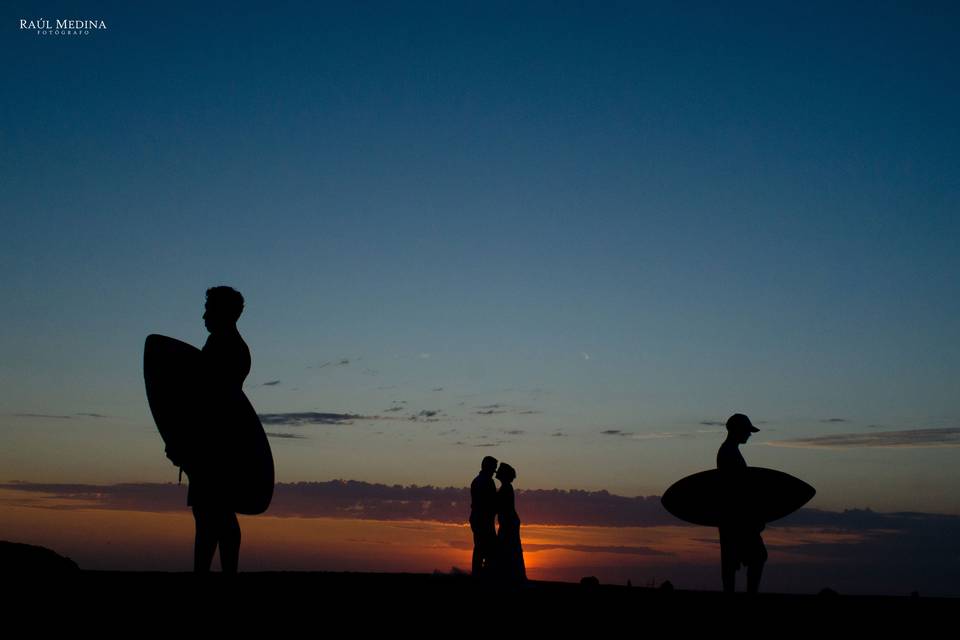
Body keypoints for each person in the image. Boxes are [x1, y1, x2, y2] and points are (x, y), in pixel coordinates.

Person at [186, 286, 250, 573]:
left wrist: (188, 441)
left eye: (209, 309)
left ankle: (219, 576)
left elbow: (210, 399)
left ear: (223, 312)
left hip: (217, 445)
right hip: (220, 443)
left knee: (215, 514)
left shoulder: (226, 347)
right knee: (212, 514)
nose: (203, 316)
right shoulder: (226, 345)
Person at [717, 412, 767, 593]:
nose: (749, 434)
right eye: (747, 430)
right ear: (737, 430)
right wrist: (751, 517)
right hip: (736, 518)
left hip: (733, 517)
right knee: (756, 556)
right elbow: (736, 489)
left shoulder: (730, 451)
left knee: (734, 561)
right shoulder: (728, 452)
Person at [494, 462, 526, 584]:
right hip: (509, 522)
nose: (497, 473)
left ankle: (511, 576)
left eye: (499, 471)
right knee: (510, 548)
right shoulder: (505, 487)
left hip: (509, 523)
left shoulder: (506, 488)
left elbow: (499, 506)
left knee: (509, 547)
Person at [470, 456, 499, 577]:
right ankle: (483, 575)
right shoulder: (486, 482)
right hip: (484, 520)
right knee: (486, 548)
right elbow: (490, 502)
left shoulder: (476, 480)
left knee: (480, 547)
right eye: (493, 469)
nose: (494, 472)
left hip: (478, 519)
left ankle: (479, 573)